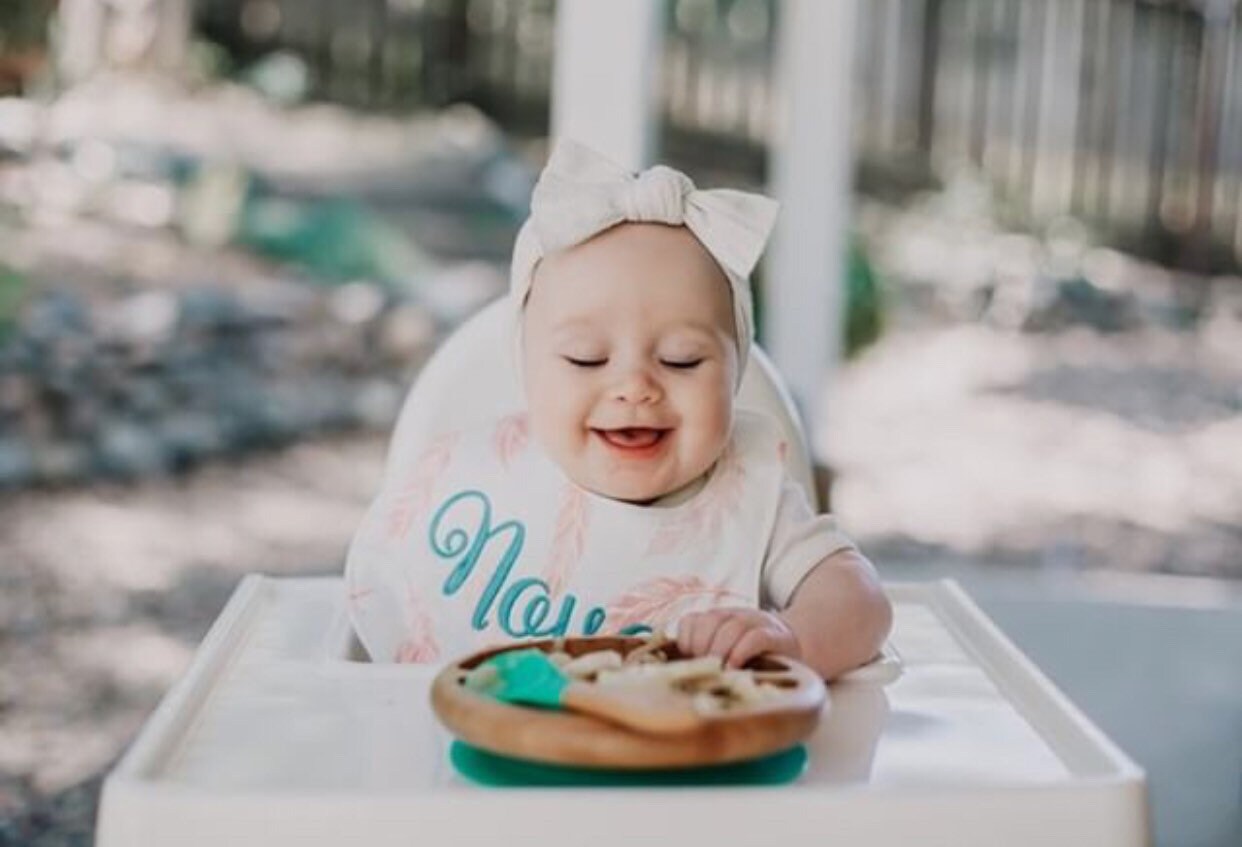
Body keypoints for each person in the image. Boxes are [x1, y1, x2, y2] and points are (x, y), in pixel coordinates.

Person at [346, 140, 891, 680]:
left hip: (697, 761)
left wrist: (792, 638)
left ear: (734, 374)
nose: (634, 387)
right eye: (587, 359)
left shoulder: (756, 496)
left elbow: (861, 602)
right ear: (528, 371)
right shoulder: (473, 479)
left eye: (681, 361)